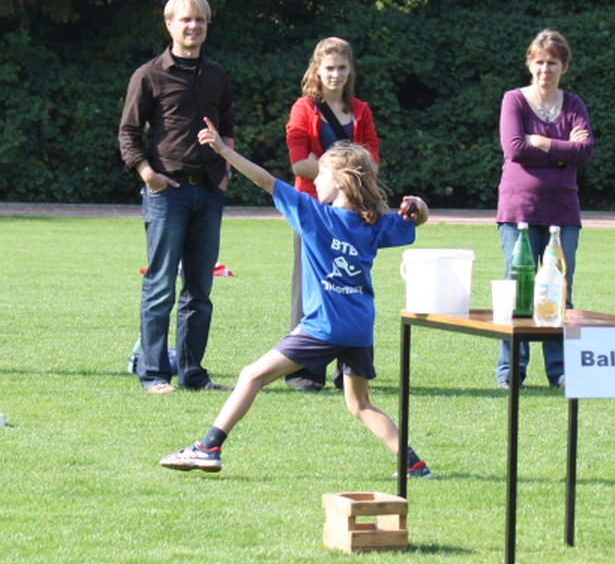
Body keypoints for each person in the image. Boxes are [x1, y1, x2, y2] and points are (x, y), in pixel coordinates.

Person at [160, 119, 432, 478]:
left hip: (324, 328)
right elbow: (415, 220)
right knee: (360, 404)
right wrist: (419, 205)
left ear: (341, 181)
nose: (314, 180)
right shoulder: (374, 223)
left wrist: (225, 152)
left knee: (252, 375)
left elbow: (265, 180)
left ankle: (208, 447)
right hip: (359, 329)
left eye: (321, 174)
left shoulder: (313, 215)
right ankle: (414, 464)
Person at [118, 0, 235, 394]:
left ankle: (193, 373)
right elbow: (128, 132)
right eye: (186, 19)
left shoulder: (218, 75)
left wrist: (226, 172)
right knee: (160, 287)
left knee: (200, 290)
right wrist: (147, 173)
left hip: (209, 193)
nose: (194, 26)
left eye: (200, 19)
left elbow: (228, 129)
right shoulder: (149, 75)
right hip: (167, 193)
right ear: (169, 24)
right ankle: (152, 373)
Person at [495, 29, 595, 389]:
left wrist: (543, 142)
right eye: (539, 61)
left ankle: (560, 371)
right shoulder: (514, 100)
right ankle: (511, 371)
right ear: (529, 64)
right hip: (518, 210)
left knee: (560, 290)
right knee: (518, 290)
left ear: (564, 67)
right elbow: (515, 148)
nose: (545, 69)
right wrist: (563, 150)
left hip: (563, 211)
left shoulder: (574, 105)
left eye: (553, 62)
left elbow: (585, 151)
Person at [283, 37, 381, 392]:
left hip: (354, 216)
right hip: (313, 212)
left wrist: (330, 171)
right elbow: (299, 163)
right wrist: (348, 174)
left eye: (341, 67)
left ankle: (351, 370)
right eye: (329, 68)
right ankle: (304, 371)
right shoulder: (303, 109)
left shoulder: (361, 111)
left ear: (350, 69)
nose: (335, 74)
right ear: (317, 69)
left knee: (352, 285)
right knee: (308, 289)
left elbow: (372, 164)